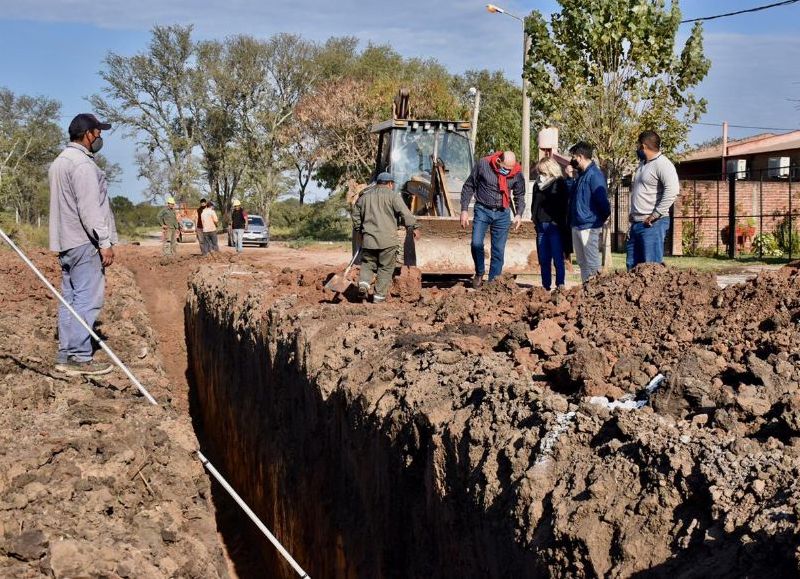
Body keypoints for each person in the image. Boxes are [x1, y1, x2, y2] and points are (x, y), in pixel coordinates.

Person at [49, 113, 117, 376]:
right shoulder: (83, 165)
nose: (100, 138)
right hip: (84, 242)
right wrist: (104, 242)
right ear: (88, 134)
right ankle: (79, 355)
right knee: (88, 299)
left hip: (65, 242)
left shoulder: (59, 162)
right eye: (98, 132)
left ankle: (66, 354)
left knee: (70, 299)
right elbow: (89, 209)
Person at [460, 150, 525, 289]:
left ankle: (492, 283)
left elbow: (519, 195)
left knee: (498, 250)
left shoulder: (517, 173)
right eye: (505, 168)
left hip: (502, 213)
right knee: (476, 243)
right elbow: (469, 186)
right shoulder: (483, 164)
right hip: (483, 209)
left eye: (510, 169)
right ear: (499, 161)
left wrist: (519, 214)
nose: (508, 171)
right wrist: (464, 209)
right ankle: (479, 272)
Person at [352, 172, 420, 303]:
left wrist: (359, 230)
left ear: (377, 183)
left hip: (369, 240)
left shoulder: (364, 197)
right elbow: (405, 213)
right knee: (386, 267)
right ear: (390, 184)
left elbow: (356, 215)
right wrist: (414, 227)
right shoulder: (393, 196)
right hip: (388, 241)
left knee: (367, 264)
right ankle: (378, 297)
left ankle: (364, 284)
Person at [627, 130, 680, 270]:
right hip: (637, 224)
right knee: (632, 266)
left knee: (650, 268)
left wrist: (656, 214)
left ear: (643, 146)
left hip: (652, 225)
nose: (637, 149)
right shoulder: (642, 164)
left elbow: (672, 190)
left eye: (638, 145)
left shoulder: (663, 164)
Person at [566, 142, 611, 283]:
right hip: (577, 224)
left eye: (573, 157)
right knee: (582, 262)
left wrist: (600, 218)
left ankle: (595, 293)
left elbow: (602, 200)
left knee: (592, 263)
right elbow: (572, 195)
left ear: (580, 157)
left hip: (589, 225)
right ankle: (586, 291)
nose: (572, 160)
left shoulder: (594, 175)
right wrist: (569, 178)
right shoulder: (581, 176)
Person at [532, 157, 571, 290]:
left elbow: (564, 205)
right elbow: (534, 204)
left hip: (554, 226)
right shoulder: (537, 184)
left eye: (543, 172)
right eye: (540, 172)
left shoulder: (559, 183)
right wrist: (535, 220)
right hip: (541, 226)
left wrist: (557, 222)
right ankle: (545, 286)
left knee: (557, 257)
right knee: (543, 258)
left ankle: (560, 284)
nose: (541, 175)